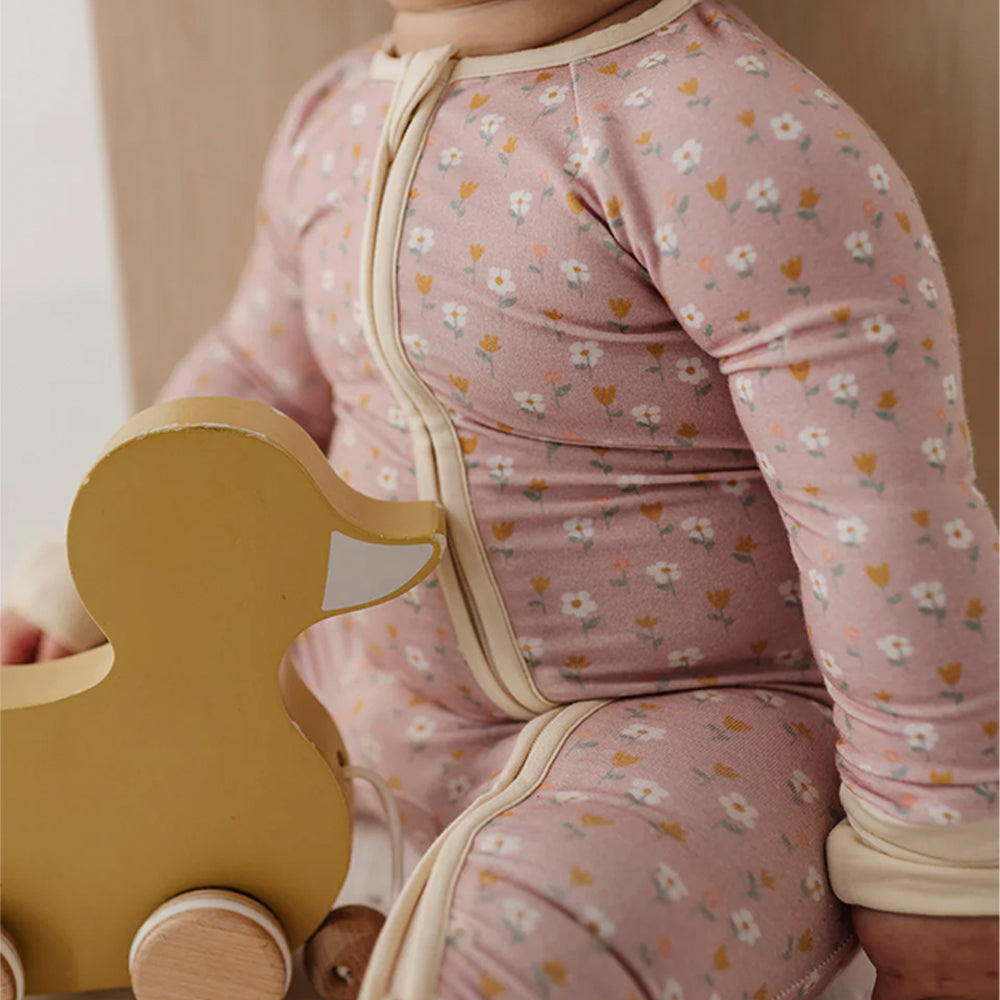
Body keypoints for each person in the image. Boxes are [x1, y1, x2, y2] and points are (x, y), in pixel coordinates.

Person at [3, 0, 997, 996]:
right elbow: (251, 393)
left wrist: (938, 860)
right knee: (93, 797)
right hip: (358, 704)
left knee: (529, 952)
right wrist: (87, 590)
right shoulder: (333, 120)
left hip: (689, 728)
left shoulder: (730, 135)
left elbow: (882, 512)